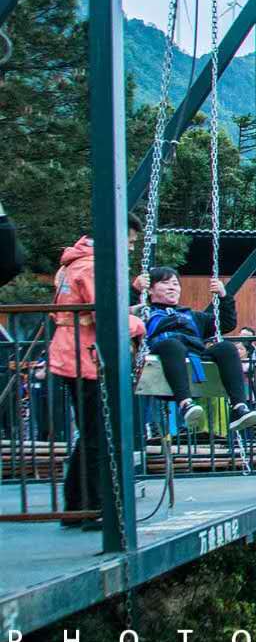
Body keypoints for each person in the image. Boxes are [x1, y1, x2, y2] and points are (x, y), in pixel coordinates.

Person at [48, 218, 148, 530]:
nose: (131, 248)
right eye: (130, 241)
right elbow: (102, 315)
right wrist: (137, 325)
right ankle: (94, 506)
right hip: (85, 357)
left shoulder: (72, 263)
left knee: (90, 433)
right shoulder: (93, 266)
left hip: (68, 352)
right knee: (98, 436)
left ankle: (76, 504)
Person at [140, 267, 256, 433]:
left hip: (194, 357)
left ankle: (238, 407)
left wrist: (223, 296)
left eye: (175, 284)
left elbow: (226, 323)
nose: (172, 287)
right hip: (165, 357)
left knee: (226, 348)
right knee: (173, 345)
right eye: (165, 283)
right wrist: (136, 290)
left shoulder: (193, 317)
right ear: (151, 289)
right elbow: (123, 319)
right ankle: (185, 404)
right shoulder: (144, 313)